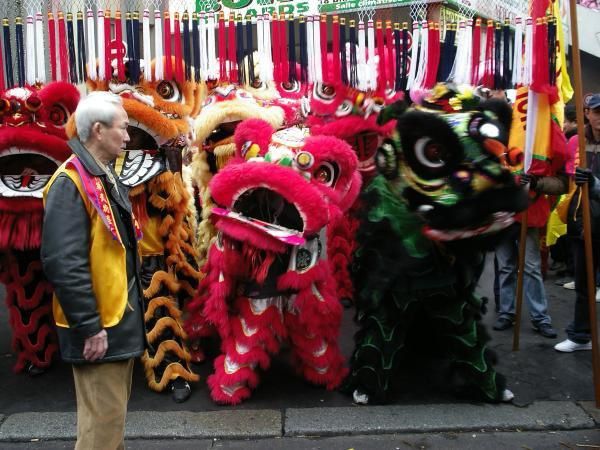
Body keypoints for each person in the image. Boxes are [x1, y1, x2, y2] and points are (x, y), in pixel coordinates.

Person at [41, 92, 145, 449]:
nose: (129, 137)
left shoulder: (101, 175)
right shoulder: (70, 182)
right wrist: (90, 327)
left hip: (115, 323)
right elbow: (63, 263)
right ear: (98, 130)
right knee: (100, 432)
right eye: (124, 128)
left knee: (109, 425)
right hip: (99, 329)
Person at [493, 159, 569, 339]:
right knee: (505, 267)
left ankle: (540, 317)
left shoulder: (539, 142)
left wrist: (536, 182)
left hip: (529, 213)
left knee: (531, 267)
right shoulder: (496, 141)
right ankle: (506, 312)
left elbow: (561, 184)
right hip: (501, 214)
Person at [555, 93, 600, 352]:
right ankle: (581, 336)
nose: (599, 119)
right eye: (596, 112)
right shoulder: (576, 142)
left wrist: (594, 184)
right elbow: (565, 182)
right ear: (587, 113)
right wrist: (538, 183)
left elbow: (591, 185)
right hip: (583, 226)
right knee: (583, 286)